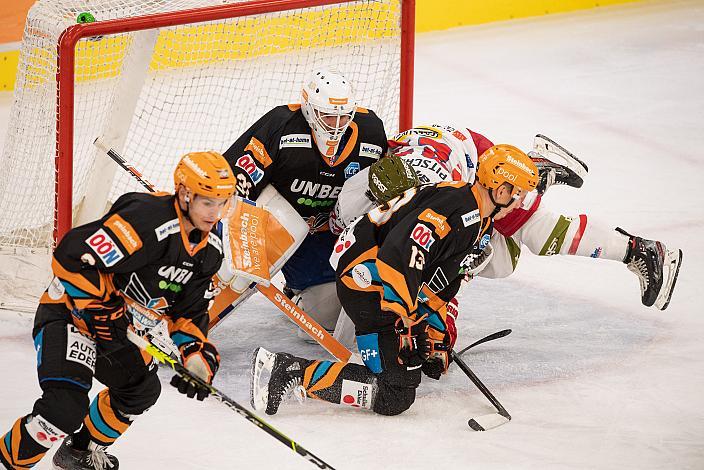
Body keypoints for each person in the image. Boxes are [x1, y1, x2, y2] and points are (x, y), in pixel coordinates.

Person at [250, 145, 539, 416]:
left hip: (376, 282)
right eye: (520, 194)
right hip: (365, 284)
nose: (520, 204)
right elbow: (400, 255)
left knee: (407, 369)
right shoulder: (457, 208)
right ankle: (289, 371)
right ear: (501, 190)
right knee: (395, 394)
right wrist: (409, 324)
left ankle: (307, 370)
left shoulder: (474, 214)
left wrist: (436, 336)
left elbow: (437, 281)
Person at [0, 152, 235, 470]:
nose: (215, 213)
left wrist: (196, 355)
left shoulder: (208, 252)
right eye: (208, 202)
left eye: (222, 202)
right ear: (184, 193)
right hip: (73, 316)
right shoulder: (145, 218)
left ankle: (79, 451)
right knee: (63, 409)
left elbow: (190, 313)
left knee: (141, 390)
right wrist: (102, 307)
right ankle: (8, 461)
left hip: (120, 331)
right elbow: (72, 257)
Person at [333, 124, 683, 315]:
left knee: (538, 237)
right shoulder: (365, 191)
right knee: (500, 263)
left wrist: (438, 318)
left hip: (479, 164)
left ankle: (640, 251)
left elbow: (439, 260)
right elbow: (343, 228)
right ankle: (537, 170)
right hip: (450, 160)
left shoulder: (433, 203)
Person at [210, 66, 388, 338]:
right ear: (308, 109)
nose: (336, 125)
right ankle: (190, 317)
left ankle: (298, 294)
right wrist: (238, 235)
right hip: (274, 223)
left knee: (332, 317)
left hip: (328, 236)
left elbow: (379, 190)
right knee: (233, 272)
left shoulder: (372, 133)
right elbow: (237, 180)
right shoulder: (280, 127)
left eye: (343, 117)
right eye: (328, 116)